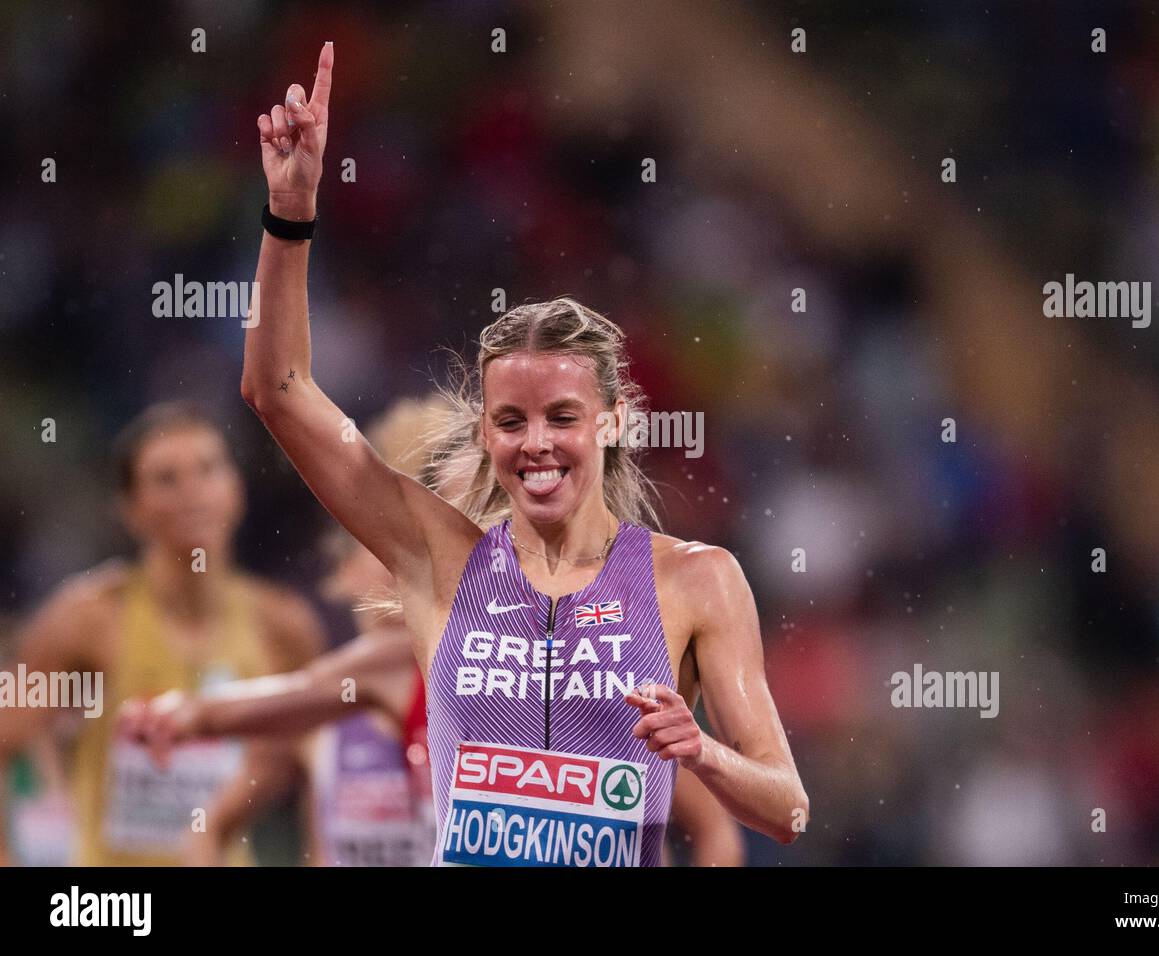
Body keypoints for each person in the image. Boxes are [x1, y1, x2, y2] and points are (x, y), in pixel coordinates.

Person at [242, 42, 807, 866]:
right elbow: (279, 390)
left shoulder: (696, 580)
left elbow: (787, 806)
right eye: (511, 420)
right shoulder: (438, 558)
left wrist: (702, 750)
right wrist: (291, 213)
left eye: (562, 417)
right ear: (485, 434)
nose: (536, 444)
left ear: (612, 422)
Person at [125, 399, 745, 866]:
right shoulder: (395, 664)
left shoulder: (599, 670)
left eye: (481, 523)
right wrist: (184, 716)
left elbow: (716, 822)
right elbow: (276, 705)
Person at [0, 401, 326, 865]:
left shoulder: (281, 626)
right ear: (130, 510)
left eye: (208, 469)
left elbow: (324, 772)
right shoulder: (88, 618)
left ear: (236, 489)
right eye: (166, 479)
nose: (192, 492)